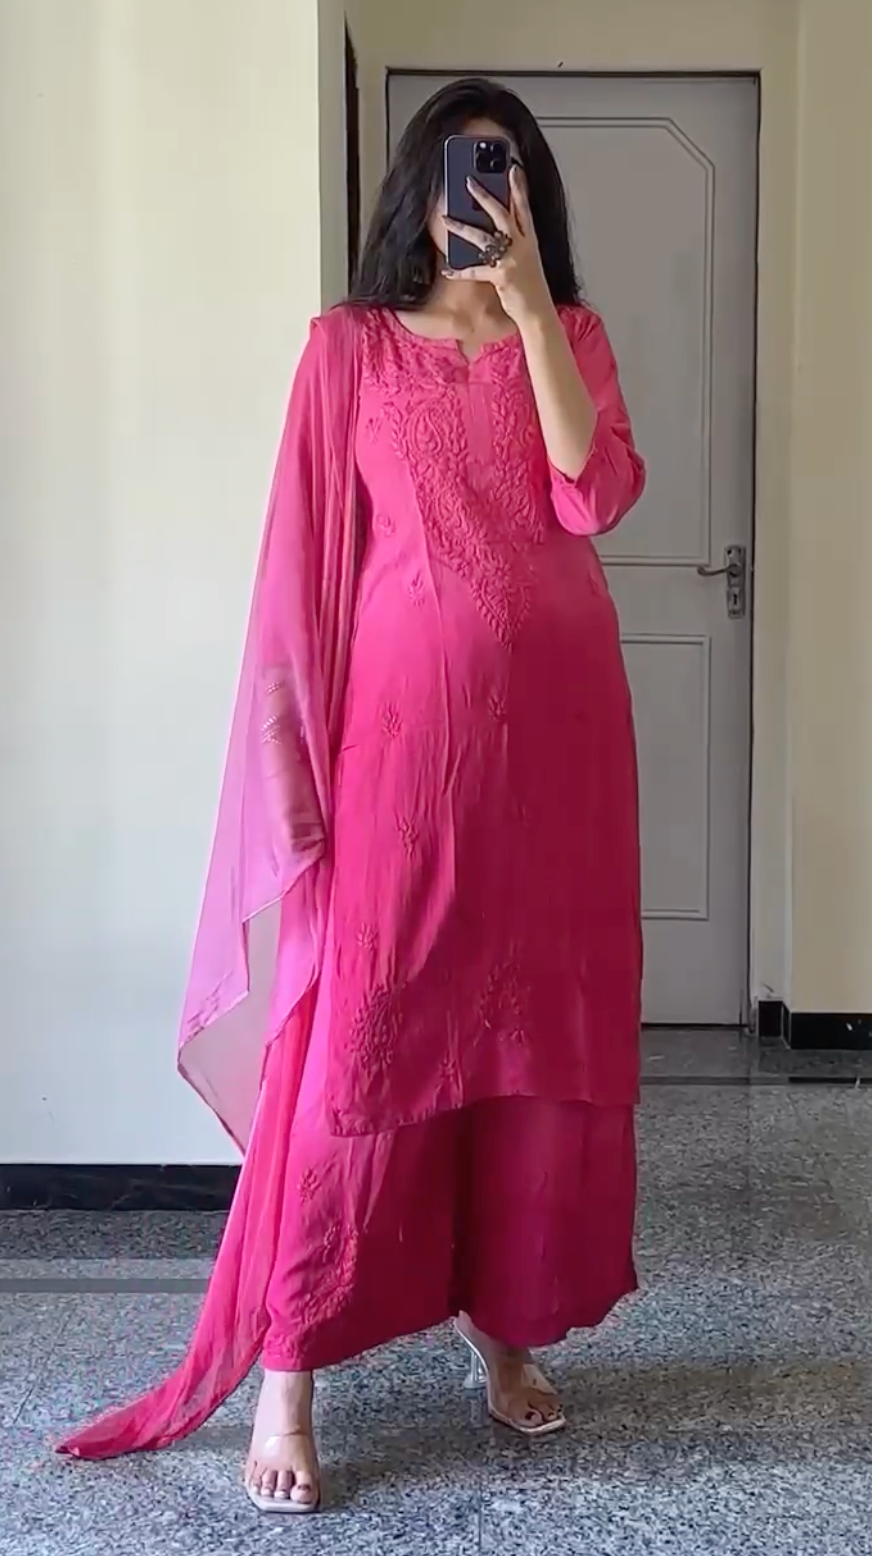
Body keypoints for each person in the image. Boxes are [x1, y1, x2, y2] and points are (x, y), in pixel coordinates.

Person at [57, 77, 646, 1515]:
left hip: (560, 762)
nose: (481, 198)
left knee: (527, 1048)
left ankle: (504, 1328)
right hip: (403, 763)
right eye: (460, 172)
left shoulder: (570, 336)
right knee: (368, 1045)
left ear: (533, 194)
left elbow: (595, 496)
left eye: (505, 174)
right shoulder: (348, 351)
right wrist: (292, 769)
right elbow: (297, 567)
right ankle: (291, 1366)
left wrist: (527, 311)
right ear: (417, 191)